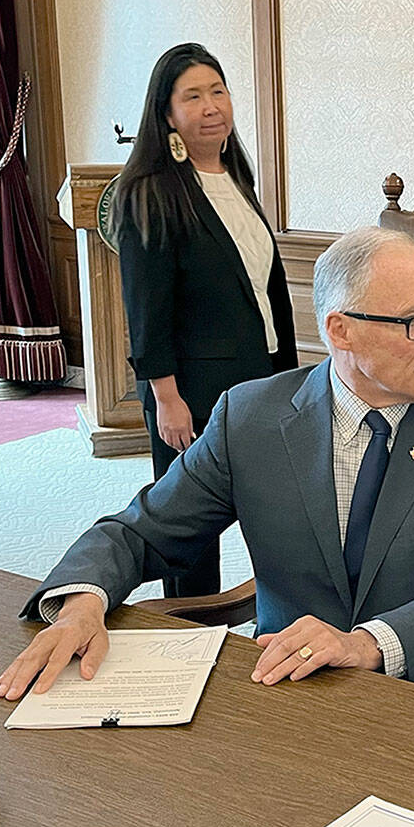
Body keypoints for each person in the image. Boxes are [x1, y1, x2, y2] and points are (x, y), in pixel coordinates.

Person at [0, 227, 414, 700]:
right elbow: (141, 533)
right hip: (287, 688)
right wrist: (82, 603)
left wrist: (365, 644)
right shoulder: (249, 417)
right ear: (340, 330)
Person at [111, 43, 298, 598]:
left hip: (259, 377)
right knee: (190, 524)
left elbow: (262, 288)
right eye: (193, 96)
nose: (211, 105)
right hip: (191, 388)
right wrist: (166, 397)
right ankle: (191, 630)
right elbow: (146, 308)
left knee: (273, 507)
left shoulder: (237, 178)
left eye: (218, 91)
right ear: (166, 113)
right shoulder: (149, 194)